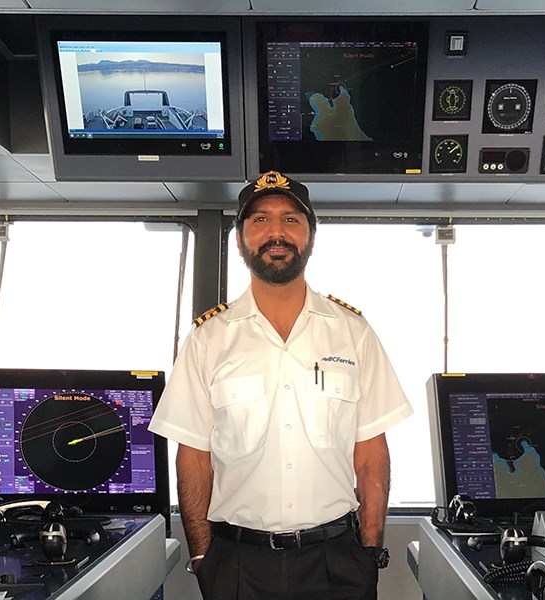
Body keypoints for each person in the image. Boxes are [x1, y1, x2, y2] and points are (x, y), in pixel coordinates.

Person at [148, 170, 413, 600]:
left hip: (337, 561)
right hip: (238, 564)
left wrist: (370, 548)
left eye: (291, 219)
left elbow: (370, 452)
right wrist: (202, 558)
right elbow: (194, 456)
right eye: (259, 220)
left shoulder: (353, 333)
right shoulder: (208, 340)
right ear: (239, 240)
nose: (276, 232)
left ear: (311, 237)